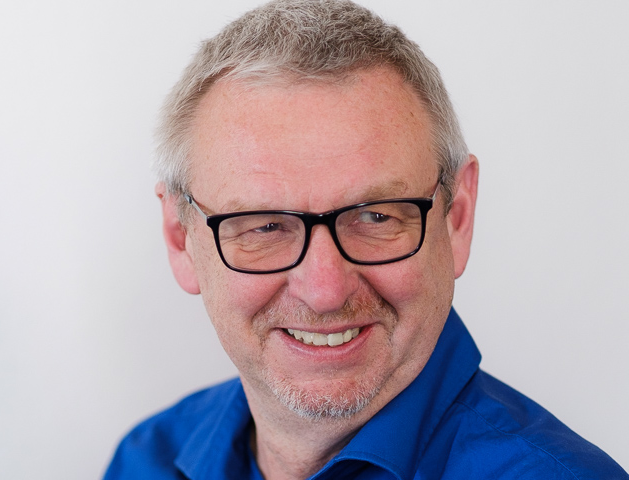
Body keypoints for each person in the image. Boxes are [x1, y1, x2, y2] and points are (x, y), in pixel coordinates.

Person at [104, 1, 628, 478]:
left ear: (457, 218)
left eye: (376, 217)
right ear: (180, 237)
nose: (325, 291)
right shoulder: (144, 461)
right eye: (265, 226)